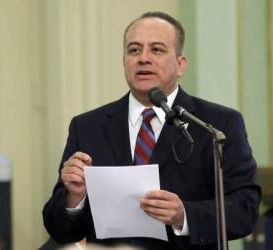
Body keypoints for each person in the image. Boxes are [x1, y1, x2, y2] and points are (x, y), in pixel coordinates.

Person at [42, 11, 261, 250]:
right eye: (134, 50)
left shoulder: (215, 125)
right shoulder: (87, 126)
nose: (143, 58)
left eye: (156, 50)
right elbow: (59, 228)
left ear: (180, 64)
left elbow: (244, 209)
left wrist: (184, 215)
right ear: (124, 60)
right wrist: (74, 198)